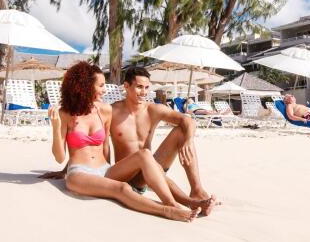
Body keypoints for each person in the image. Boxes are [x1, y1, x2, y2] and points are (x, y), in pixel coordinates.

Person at [47, 61, 199, 222]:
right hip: (79, 173)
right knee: (122, 188)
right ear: (85, 86)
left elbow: (105, 148)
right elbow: (59, 157)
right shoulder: (64, 114)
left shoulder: (104, 110)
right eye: (100, 85)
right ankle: (166, 211)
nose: (105, 90)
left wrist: (113, 169)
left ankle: (172, 203)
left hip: (105, 170)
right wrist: (56, 128)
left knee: (145, 154)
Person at [111, 67, 217, 215]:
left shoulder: (153, 110)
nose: (144, 92)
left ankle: (197, 190)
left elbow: (187, 120)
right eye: (139, 87)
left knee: (182, 131)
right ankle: (191, 203)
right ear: (126, 86)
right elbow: (94, 140)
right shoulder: (112, 111)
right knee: (147, 158)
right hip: (126, 176)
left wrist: (188, 140)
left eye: (147, 87)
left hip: (148, 171)